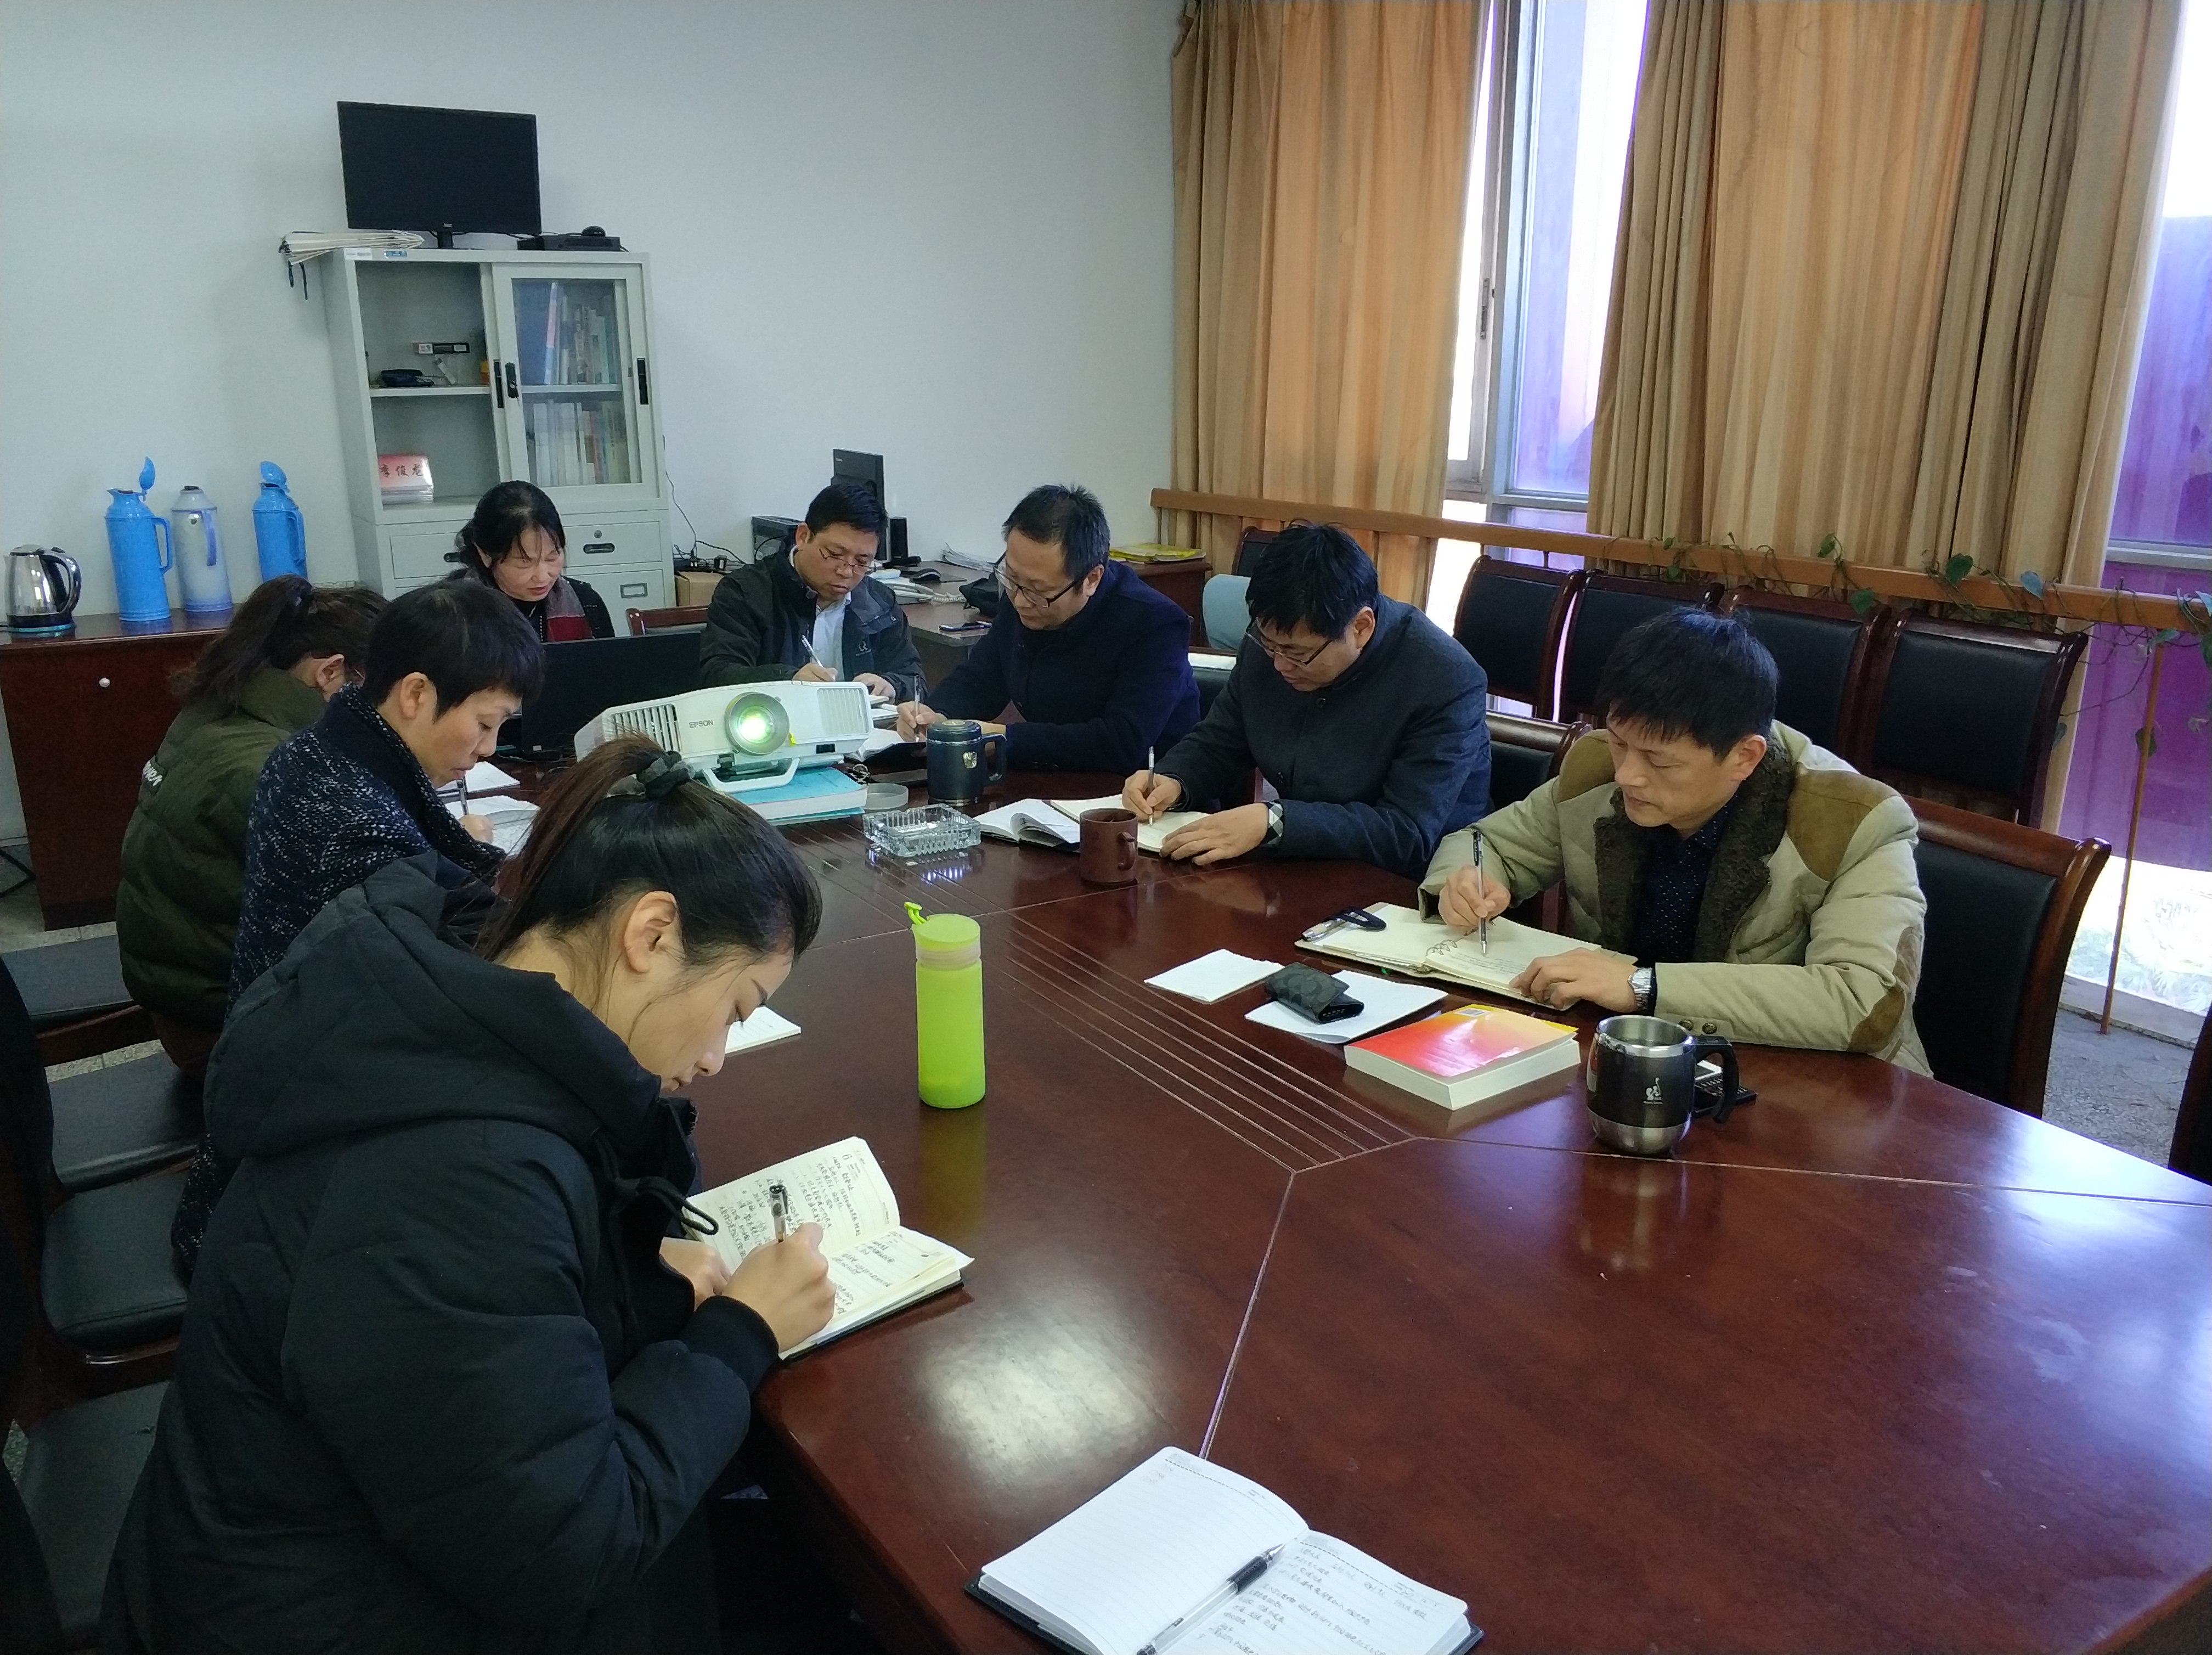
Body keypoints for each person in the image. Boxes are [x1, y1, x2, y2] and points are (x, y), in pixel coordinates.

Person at [105, 737, 850, 1655]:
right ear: (651, 933)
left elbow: (484, 1356)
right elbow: (565, 1549)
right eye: (735, 1008)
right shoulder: (453, 1180)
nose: (716, 1059)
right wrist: (741, 1333)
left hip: (361, 1545)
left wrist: (638, 1285)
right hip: (331, 1609)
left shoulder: (453, 1011)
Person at [166, 578, 544, 1279]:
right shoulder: (357, 822)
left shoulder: (316, 751)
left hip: (269, 1094)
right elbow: (464, 986)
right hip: (278, 1197)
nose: (488, 747)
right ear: (416, 693)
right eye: (486, 723)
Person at [1422, 609, 1929, 1071]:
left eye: (1660, 762)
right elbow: (1486, 843)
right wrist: (1466, 881)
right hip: (1637, 1062)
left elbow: (1863, 998)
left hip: (1824, 1089)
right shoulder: (1597, 770)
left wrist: (1644, 987)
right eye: (1619, 742)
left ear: (1745, 757)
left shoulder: (1856, 820)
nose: (1628, 775)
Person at [114, 576, 386, 1073]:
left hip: (183, 992)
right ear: (330, 673)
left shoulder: (227, 708)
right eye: (379, 692)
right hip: (221, 1029)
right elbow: (363, 900)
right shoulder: (269, 763)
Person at [1121, 521, 1489, 879]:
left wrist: (1275, 821)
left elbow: (1406, 832)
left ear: (1361, 627)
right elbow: (1222, 739)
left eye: (1298, 654)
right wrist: (1174, 779)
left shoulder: (1444, 678)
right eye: (1269, 644)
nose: (1280, 664)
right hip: (1302, 869)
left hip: (1419, 888)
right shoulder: (1274, 640)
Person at [896, 484, 1198, 773]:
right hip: (1054, 780)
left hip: (1143, 793)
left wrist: (1004, 738)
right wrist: (937, 714)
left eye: (1038, 590)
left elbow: (1122, 743)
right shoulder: (1021, 596)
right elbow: (981, 679)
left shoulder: (1154, 624)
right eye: (1011, 577)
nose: (1020, 600)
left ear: (1091, 579)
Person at [698, 480, 923, 699]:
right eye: (835, 554)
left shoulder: (879, 603)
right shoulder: (746, 592)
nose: (846, 571)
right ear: (803, 536)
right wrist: (788, 680)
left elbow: (916, 682)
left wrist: (892, 686)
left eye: (862, 562)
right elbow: (719, 675)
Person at [449, 479, 614, 640]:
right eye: (524, 563)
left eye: (552, 557)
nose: (542, 577)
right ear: (485, 554)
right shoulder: (451, 614)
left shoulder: (586, 602)